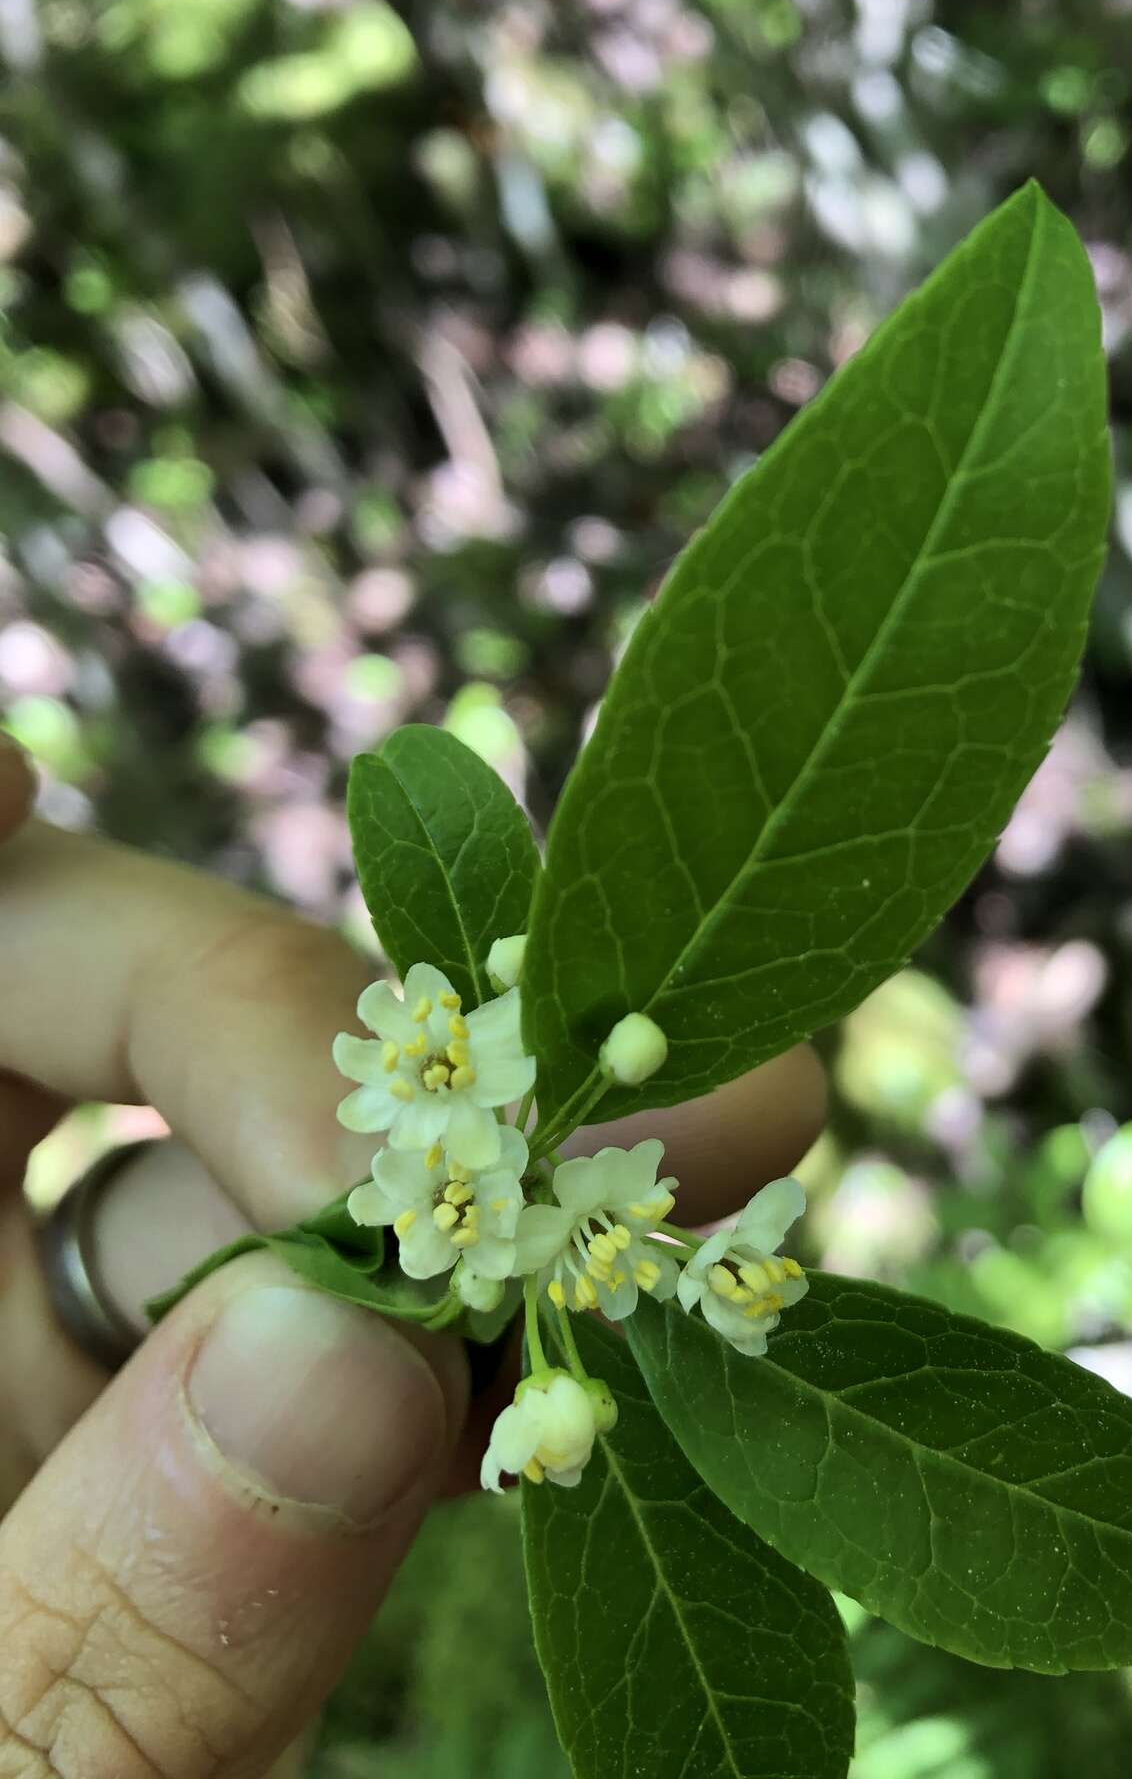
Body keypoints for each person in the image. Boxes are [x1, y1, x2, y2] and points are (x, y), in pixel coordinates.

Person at [0, 735, 824, 1777]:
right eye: (430, 1062)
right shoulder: (444, 1145)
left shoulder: (509, 1167)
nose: (436, 1060)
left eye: (442, 1058)